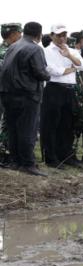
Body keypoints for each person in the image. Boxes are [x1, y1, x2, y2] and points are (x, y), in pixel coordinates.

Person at [0, 22, 50, 176]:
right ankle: (28, 164)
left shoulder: (13, 46)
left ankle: (16, 161)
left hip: (8, 95)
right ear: (39, 35)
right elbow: (41, 73)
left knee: (14, 130)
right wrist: (48, 75)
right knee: (28, 130)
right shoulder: (35, 48)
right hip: (27, 95)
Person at [42, 24, 83, 168]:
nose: (62, 38)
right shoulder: (46, 51)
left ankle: (66, 155)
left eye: (64, 35)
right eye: (58, 35)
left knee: (68, 124)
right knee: (52, 124)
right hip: (53, 89)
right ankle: (51, 157)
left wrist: (69, 56)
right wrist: (72, 69)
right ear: (51, 36)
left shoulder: (72, 50)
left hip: (70, 89)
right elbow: (52, 71)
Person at [0, 23, 22, 166]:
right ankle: (4, 155)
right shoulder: (7, 51)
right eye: (19, 33)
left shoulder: (8, 50)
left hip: (8, 92)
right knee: (6, 123)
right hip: (6, 93)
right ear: (13, 35)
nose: (21, 36)